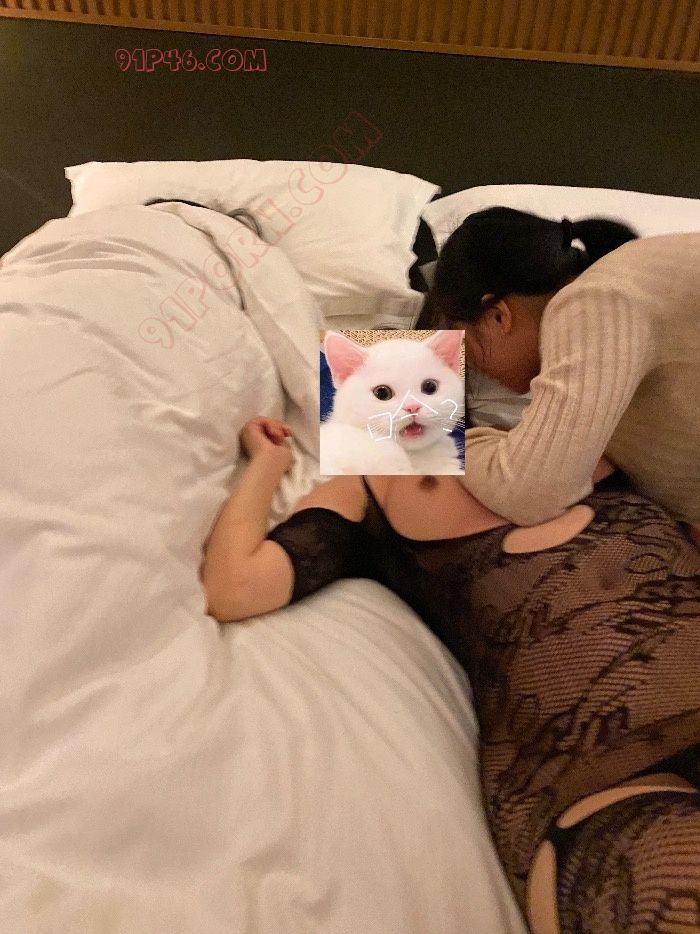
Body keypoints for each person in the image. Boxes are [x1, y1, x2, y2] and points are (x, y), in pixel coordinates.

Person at [201, 416, 700, 934]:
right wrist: (269, 463)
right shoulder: (370, 482)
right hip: (601, 772)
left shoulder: (590, 422)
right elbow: (233, 587)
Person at [427, 208, 700, 545]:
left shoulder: (592, 301)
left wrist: (455, 443)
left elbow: (529, 492)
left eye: (470, 351)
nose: (479, 371)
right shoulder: (613, 299)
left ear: (499, 316)